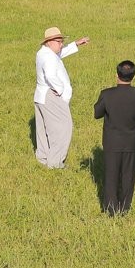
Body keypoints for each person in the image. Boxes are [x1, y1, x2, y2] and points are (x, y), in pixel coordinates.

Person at [93, 60, 135, 216]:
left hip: (112, 141)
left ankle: (110, 208)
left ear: (116, 75)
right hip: (130, 140)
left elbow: (97, 113)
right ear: (133, 76)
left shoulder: (107, 94)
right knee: (128, 174)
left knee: (111, 175)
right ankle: (125, 207)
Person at [33, 26, 90, 169]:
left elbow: (59, 54)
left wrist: (76, 44)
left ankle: (43, 158)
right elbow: (51, 75)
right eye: (59, 41)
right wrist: (60, 90)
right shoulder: (48, 57)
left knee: (43, 128)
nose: (61, 44)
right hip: (51, 96)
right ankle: (55, 163)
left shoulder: (44, 53)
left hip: (41, 95)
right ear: (49, 42)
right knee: (63, 128)